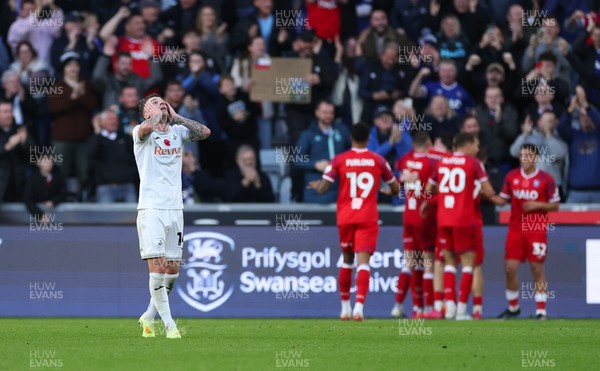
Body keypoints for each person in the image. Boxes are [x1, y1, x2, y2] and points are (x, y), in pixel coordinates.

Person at [135, 94, 211, 338]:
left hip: (175, 208)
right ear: (147, 112)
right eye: (155, 102)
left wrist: (176, 116)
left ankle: (148, 316)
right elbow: (146, 128)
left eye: (162, 101)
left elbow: (205, 132)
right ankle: (169, 326)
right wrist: (155, 114)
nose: (162, 103)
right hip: (151, 208)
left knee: (172, 271)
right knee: (157, 267)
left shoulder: (178, 132)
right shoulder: (141, 132)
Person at [307, 122, 400, 321]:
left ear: (351, 138)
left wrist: (316, 186)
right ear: (368, 139)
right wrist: (386, 189)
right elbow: (395, 189)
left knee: (347, 261)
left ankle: (344, 309)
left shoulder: (339, 160)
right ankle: (359, 308)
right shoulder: (379, 160)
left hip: (346, 216)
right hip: (367, 216)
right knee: (363, 263)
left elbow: (324, 188)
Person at [425, 132, 502, 320]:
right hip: (465, 219)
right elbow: (488, 190)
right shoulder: (474, 163)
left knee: (449, 263)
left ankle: (449, 308)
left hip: (444, 219)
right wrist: (498, 198)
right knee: (469, 265)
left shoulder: (441, 163)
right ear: (466, 146)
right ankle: (461, 311)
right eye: (475, 145)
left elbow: (428, 190)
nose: (477, 149)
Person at [494, 144, 560, 320]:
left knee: (537, 267)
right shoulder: (512, 177)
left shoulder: (546, 179)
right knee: (510, 268)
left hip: (536, 229)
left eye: (528, 155)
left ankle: (541, 311)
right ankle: (513, 308)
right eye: (522, 155)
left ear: (536, 158)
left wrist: (538, 204)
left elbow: (555, 205)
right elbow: (503, 199)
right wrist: (487, 194)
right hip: (516, 229)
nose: (524, 159)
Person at [391, 132, 435, 319]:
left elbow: (399, 177)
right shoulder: (432, 162)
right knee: (427, 265)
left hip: (407, 215)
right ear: (428, 142)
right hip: (424, 217)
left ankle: (402, 306)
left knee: (409, 264)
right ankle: (428, 308)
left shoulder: (404, 160)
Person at [558, 87, 600, 202]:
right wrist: (571, 109)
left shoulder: (598, 134)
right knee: (569, 220)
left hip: (598, 192)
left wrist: (586, 105)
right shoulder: (573, 135)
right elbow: (560, 128)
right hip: (576, 192)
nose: (584, 118)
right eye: (582, 116)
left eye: (587, 115)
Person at [87, 109, 137, 203]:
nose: (114, 121)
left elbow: (134, 158)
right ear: (101, 122)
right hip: (105, 186)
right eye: (110, 119)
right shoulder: (96, 139)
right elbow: (90, 157)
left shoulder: (126, 139)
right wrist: (97, 132)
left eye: (115, 119)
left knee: (133, 217)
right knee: (105, 217)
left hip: (127, 185)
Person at [23, 155, 67, 222]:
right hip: (37, 215)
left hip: (56, 215)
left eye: (50, 160)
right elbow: (28, 199)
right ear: (38, 163)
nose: (49, 163)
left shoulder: (58, 177)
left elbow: (63, 193)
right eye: (45, 161)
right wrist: (40, 215)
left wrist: (54, 201)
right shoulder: (32, 180)